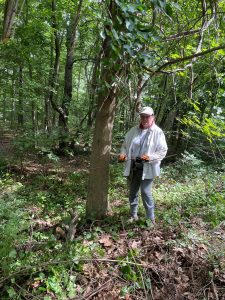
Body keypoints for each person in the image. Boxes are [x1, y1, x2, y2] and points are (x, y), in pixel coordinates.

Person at [118, 106, 168, 224]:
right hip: (133, 165)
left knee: (145, 192)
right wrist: (123, 154)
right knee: (132, 191)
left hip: (148, 167)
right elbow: (125, 145)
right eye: (142, 116)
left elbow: (163, 150)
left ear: (152, 117)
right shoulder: (133, 131)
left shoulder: (157, 132)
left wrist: (150, 157)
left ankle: (150, 218)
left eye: (147, 116)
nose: (145, 119)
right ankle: (133, 215)